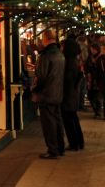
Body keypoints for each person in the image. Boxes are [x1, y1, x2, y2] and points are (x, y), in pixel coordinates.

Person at [32, 29, 66, 159]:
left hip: (46, 95)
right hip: (57, 93)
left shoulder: (46, 56)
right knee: (57, 121)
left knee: (49, 124)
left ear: (46, 39)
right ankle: (60, 147)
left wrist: (35, 89)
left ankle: (52, 150)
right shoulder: (59, 54)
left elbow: (41, 77)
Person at [62, 35, 85, 151]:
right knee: (73, 118)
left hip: (68, 95)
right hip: (72, 95)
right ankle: (79, 142)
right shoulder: (75, 61)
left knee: (69, 120)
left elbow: (68, 81)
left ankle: (74, 143)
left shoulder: (69, 63)